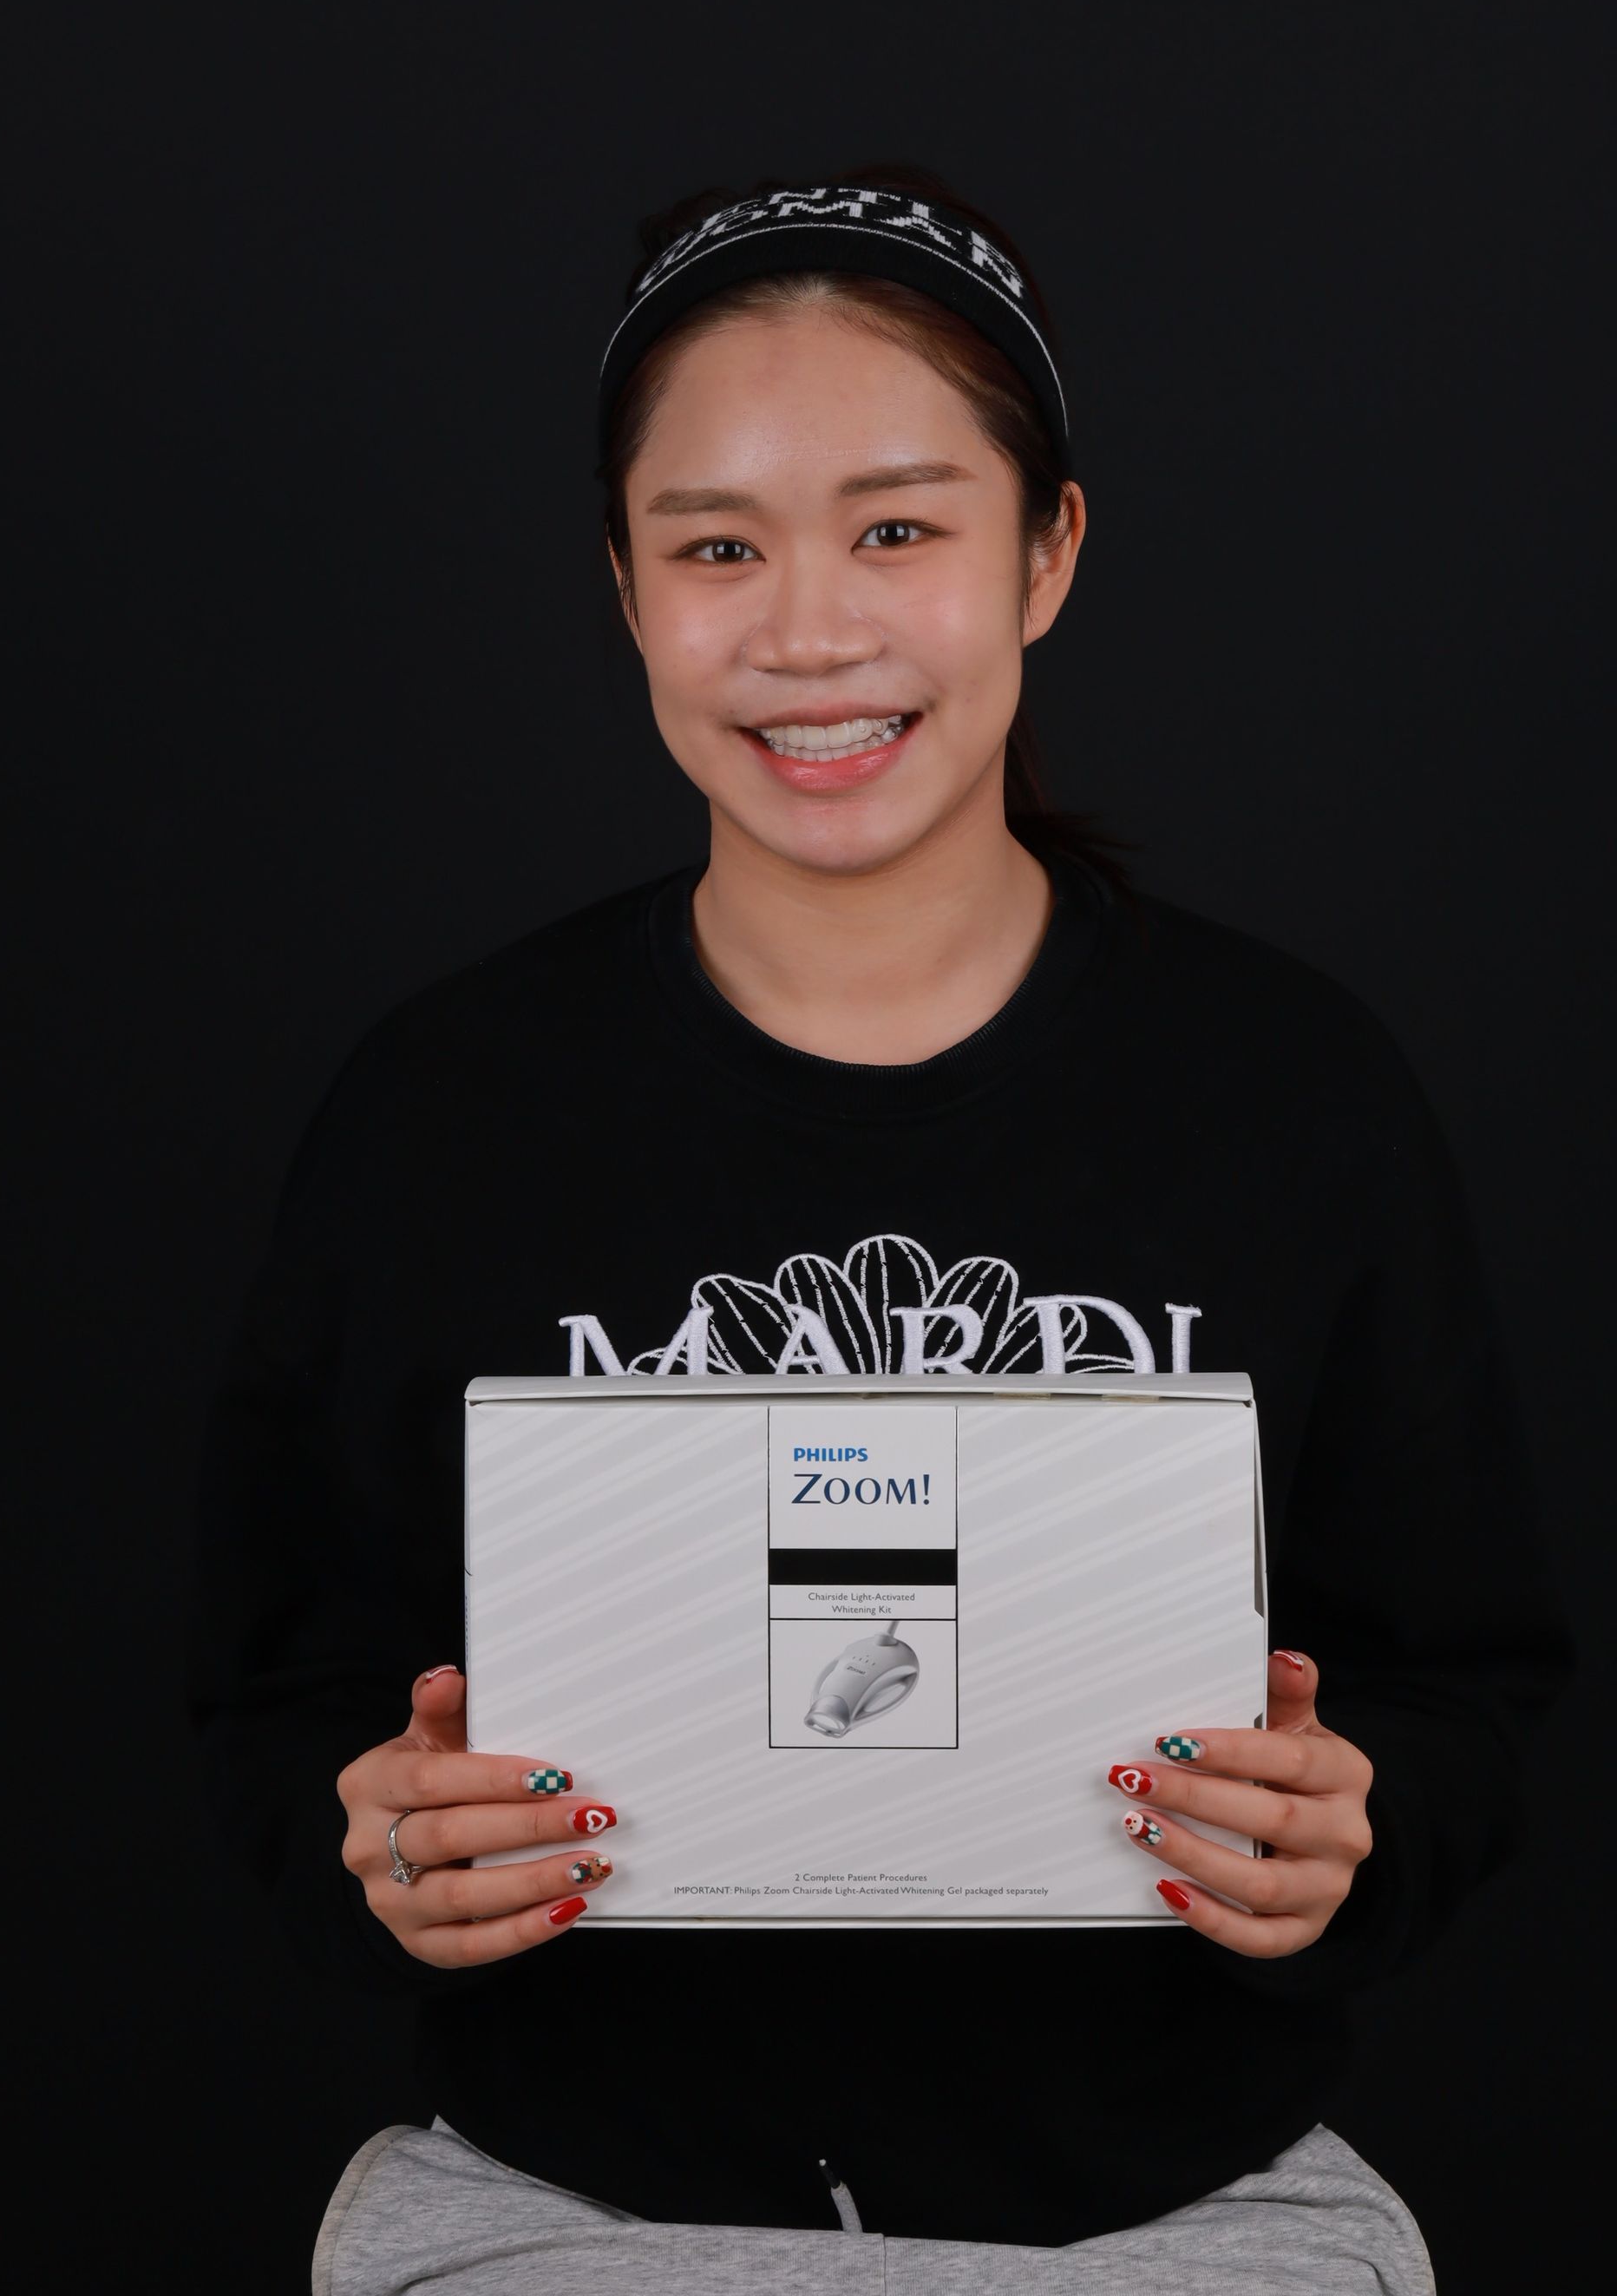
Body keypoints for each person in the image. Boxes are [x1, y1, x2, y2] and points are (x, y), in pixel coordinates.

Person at [188, 164, 1573, 2294]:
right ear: (625, 587)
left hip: (1175, 2205)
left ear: (1052, 555)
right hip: (569, 2203)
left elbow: (1470, 1687)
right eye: (717, 545)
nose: (810, 630)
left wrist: (1348, 1831)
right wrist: (367, 1847)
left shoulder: (1294, 1091)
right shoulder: (445, 1106)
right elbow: (278, 1699)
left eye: (901, 528)